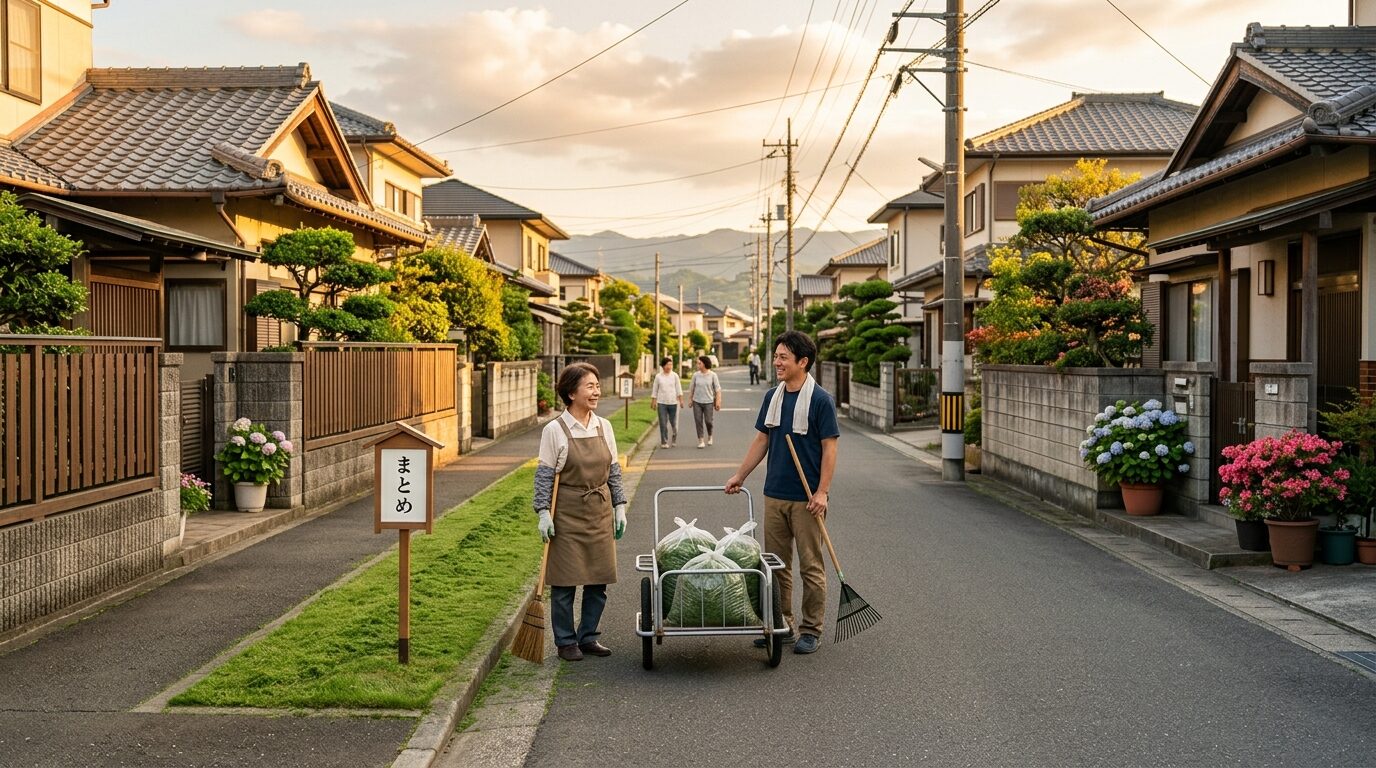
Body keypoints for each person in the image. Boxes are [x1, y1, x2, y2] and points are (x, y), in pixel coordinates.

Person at [724, 330, 839, 656]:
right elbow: (762, 439)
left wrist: (823, 492)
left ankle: (811, 629)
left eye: (783, 357)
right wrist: (740, 475)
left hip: (807, 500)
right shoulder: (773, 397)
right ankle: (782, 623)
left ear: (802, 362)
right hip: (774, 493)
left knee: (810, 565)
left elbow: (830, 449)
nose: (776, 362)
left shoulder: (820, 400)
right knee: (776, 565)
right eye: (776, 356)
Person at [533, 362, 628, 662]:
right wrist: (542, 512)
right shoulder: (554, 430)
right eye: (590, 386)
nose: (597, 391)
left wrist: (620, 506)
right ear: (571, 392)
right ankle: (565, 641)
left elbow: (613, 470)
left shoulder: (604, 426)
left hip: (599, 508)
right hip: (567, 512)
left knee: (598, 579)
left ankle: (588, 636)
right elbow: (545, 475)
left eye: (597, 385)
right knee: (563, 582)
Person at [689, 355, 723, 448]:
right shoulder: (695, 375)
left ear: (704, 363)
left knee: (708, 421)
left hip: (708, 401)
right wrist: (690, 399)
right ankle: (701, 440)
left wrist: (718, 402)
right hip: (697, 401)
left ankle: (710, 435)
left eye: (699, 363)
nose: (698, 365)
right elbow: (692, 388)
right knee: (698, 421)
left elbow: (718, 389)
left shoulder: (713, 375)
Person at [650, 356, 684, 448]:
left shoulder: (675, 376)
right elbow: (655, 389)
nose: (669, 366)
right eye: (667, 365)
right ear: (663, 366)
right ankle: (664, 442)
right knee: (663, 423)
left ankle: (674, 436)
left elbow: (678, 389)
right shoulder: (658, 377)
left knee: (674, 424)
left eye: (671, 364)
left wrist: (681, 401)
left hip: (673, 402)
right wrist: (653, 401)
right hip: (662, 403)